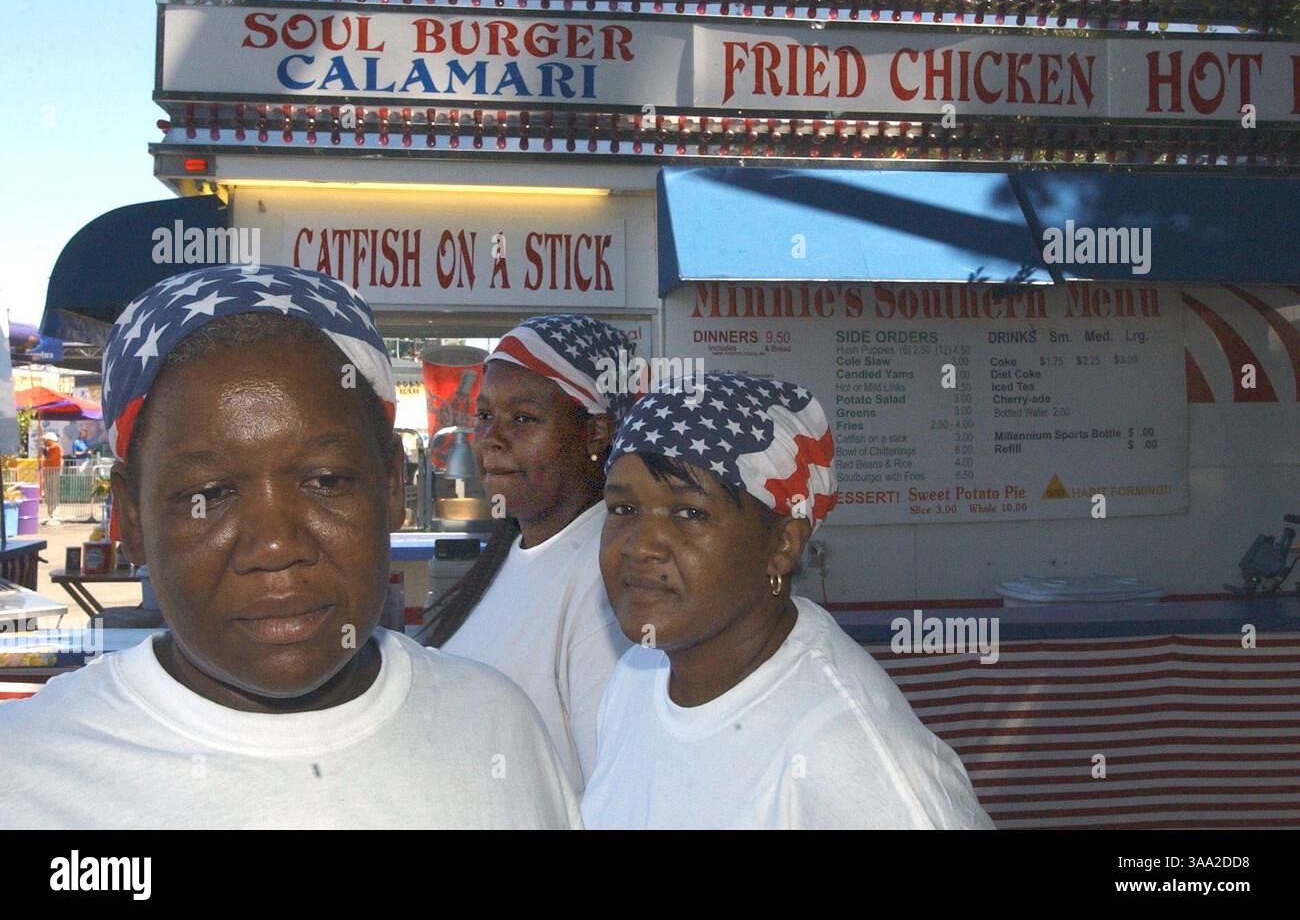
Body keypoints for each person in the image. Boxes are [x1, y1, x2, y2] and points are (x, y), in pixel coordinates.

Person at [0, 265, 580, 829]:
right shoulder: (26, 777)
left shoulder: (498, 731)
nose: (276, 545)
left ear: (390, 488)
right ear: (131, 518)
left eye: (326, 481)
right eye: (212, 493)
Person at [581, 373, 994, 829]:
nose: (639, 546)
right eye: (623, 509)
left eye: (689, 513)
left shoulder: (848, 755)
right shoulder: (635, 681)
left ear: (783, 545)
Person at [418, 315, 636, 793]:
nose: (492, 438)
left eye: (523, 418)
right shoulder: (516, 550)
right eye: (484, 415)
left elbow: (614, 793)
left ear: (594, 435)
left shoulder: (606, 582)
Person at [38, 431, 62, 525]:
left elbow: (50, 460)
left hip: (53, 472)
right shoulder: (50, 448)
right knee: (49, 495)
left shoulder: (55, 448)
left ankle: (55, 516)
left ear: (50, 440)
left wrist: (44, 456)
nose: (44, 441)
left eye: (45, 440)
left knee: (53, 494)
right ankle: (51, 515)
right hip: (48, 472)